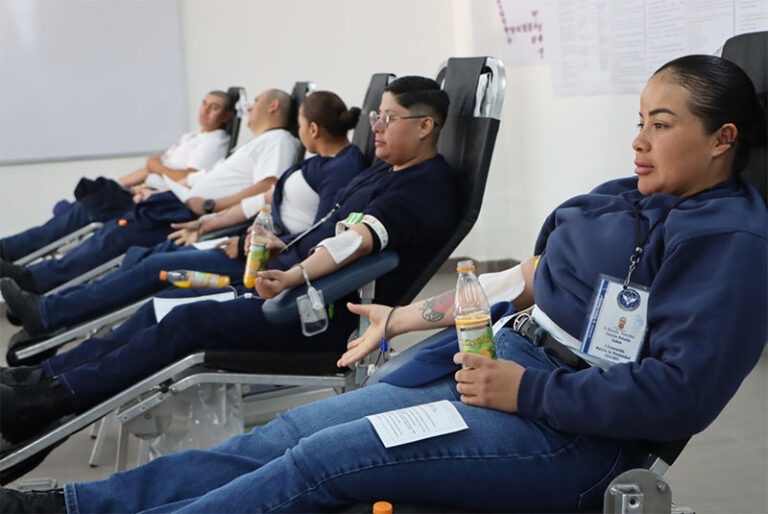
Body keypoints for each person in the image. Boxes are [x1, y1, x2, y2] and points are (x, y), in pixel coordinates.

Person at [4, 55, 764, 513]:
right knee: (287, 433)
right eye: (639, 119)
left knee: (328, 458)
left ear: (722, 139)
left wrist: (526, 393)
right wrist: (406, 319)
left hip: (572, 429)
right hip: (496, 356)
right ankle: (74, 505)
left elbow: (679, 395)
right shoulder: (626, 197)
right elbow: (529, 275)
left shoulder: (729, 244)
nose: (638, 139)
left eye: (661, 125)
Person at [0, 76, 458, 446]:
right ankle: (44, 381)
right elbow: (332, 224)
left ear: (425, 126)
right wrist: (284, 247)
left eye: (390, 118)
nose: (377, 125)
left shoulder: (426, 187)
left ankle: (52, 400)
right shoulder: (386, 168)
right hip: (287, 286)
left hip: (319, 313)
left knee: (184, 324)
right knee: (162, 306)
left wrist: (293, 272)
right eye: (377, 115)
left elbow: (356, 241)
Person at [0, 91, 367, 337]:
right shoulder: (317, 163)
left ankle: (47, 310)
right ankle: (49, 310)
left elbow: (316, 229)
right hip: (232, 239)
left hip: (256, 260)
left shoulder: (319, 160)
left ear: (312, 129)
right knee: (140, 256)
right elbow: (268, 200)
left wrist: (218, 217)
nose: (248, 106)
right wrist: (209, 221)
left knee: (148, 266)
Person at [0, 89, 303, 294]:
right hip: (175, 200)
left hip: (184, 210)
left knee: (115, 237)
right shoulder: (254, 143)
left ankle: (35, 284)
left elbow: (268, 186)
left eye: (257, 100)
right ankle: (35, 283)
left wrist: (211, 206)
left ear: (273, 107)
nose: (250, 106)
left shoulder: (277, 141)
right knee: (105, 224)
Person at [0, 91, 235, 266]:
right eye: (204, 103)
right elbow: (148, 168)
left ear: (226, 116)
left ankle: (10, 252)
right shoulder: (191, 136)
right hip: (141, 188)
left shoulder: (214, 142)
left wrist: (156, 167)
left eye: (213, 107)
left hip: (156, 200)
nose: (205, 110)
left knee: (83, 211)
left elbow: (188, 178)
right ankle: (12, 250)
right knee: (85, 199)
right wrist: (117, 184)